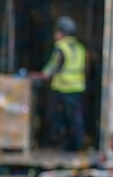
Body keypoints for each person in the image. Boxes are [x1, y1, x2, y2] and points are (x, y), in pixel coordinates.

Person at [36, 16, 87, 152]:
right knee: (75, 117)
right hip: (77, 87)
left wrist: (44, 75)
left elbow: (55, 64)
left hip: (63, 87)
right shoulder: (79, 47)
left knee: (58, 117)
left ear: (62, 32)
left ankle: (59, 142)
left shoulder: (61, 47)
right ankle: (76, 144)